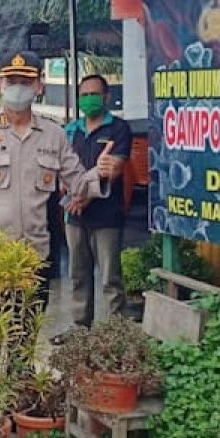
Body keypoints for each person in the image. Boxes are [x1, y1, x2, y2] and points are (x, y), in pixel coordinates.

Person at [0, 51, 117, 303]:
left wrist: (100, 172)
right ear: (0, 84)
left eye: (25, 82)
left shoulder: (53, 134)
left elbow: (78, 184)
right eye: (11, 81)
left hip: (33, 257)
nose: (18, 88)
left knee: (27, 334)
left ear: (39, 85)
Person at [64, 74, 132, 328]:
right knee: (78, 276)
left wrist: (84, 196)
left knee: (110, 279)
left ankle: (118, 333)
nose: (89, 99)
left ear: (106, 97)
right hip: (74, 215)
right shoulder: (70, 130)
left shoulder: (118, 128)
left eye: (94, 94)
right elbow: (61, 169)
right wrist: (75, 197)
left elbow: (112, 171)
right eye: (84, 95)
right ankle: (80, 330)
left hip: (106, 217)